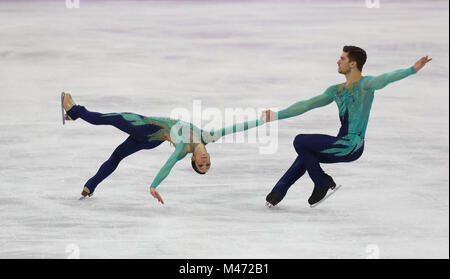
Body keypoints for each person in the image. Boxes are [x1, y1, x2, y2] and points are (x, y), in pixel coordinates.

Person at [261, 46, 432, 207]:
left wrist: (412, 69)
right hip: (341, 143)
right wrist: (277, 115)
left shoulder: (366, 85)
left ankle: (321, 182)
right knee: (306, 154)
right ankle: (277, 193)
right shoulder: (336, 90)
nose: (338, 61)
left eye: (342, 58)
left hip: (351, 145)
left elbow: (386, 78)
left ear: (353, 63)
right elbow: (306, 105)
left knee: (300, 141)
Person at [61, 93, 265, 204]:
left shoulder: (183, 147)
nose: (204, 161)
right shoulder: (208, 137)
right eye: (207, 163)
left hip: (147, 128)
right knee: (116, 156)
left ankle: (73, 109)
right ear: (209, 157)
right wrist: (263, 120)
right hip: (152, 140)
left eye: (201, 164)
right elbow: (237, 127)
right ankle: (90, 186)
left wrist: (154, 186)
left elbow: (168, 165)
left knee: (109, 119)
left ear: (193, 160)